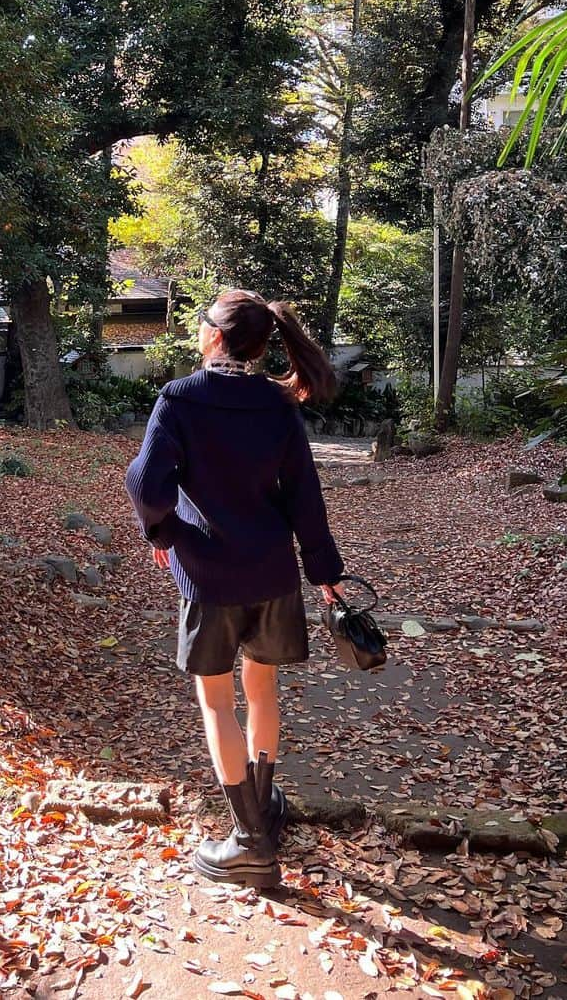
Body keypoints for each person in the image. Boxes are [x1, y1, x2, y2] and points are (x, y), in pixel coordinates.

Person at [124, 289, 344, 889]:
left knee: (217, 703)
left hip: (209, 577)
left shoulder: (180, 398)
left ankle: (248, 842)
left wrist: (163, 531)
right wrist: (325, 573)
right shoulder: (277, 406)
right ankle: (265, 811)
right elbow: (305, 494)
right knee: (263, 689)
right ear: (261, 343)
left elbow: (147, 484)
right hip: (273, 573)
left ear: (215, 337)